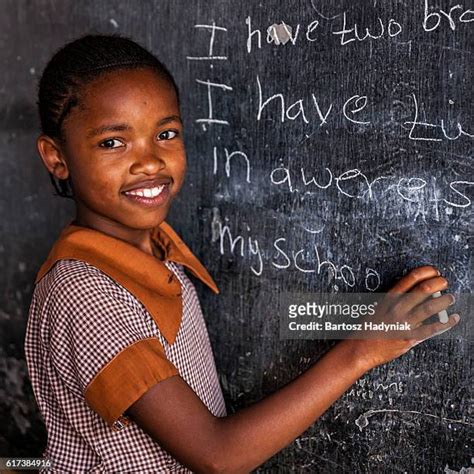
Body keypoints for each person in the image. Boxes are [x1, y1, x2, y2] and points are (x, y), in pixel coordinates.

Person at [24, 33, 460, 473]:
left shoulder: (160, 252)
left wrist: (352, 317)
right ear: (56, 157)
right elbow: (218, 456)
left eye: (166, 133)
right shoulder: (83, 293)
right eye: (113, 143)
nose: (150, 161)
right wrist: (362, 351)